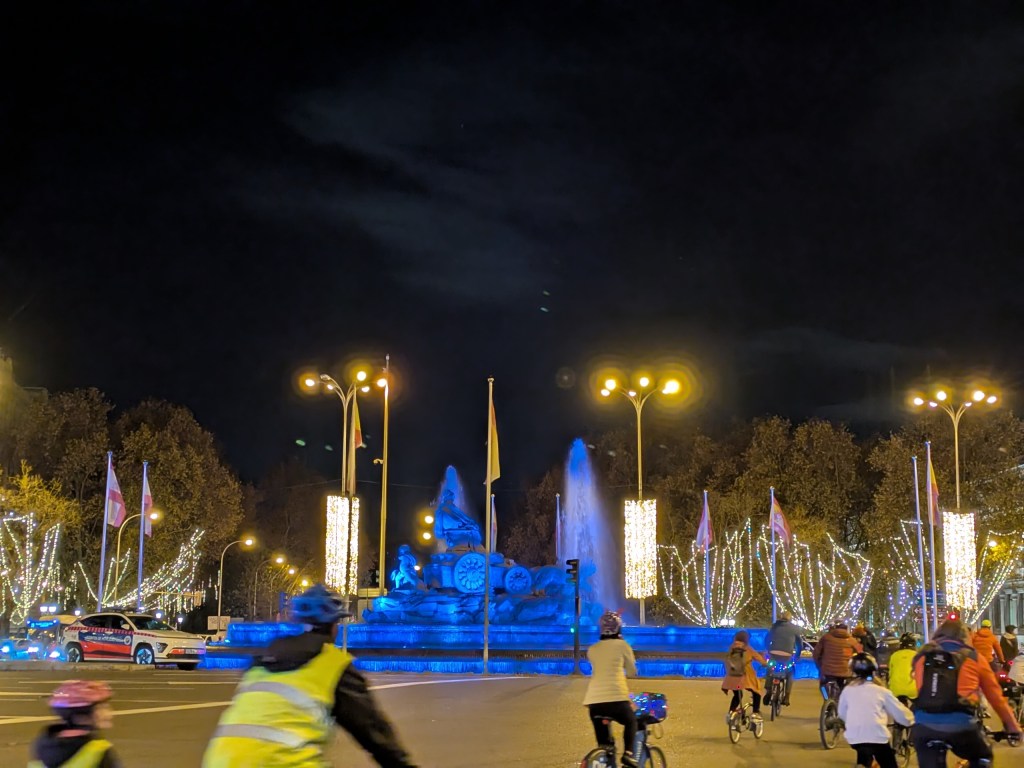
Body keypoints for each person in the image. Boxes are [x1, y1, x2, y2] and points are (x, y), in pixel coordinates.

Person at [202, 583, 418, 768]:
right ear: (334, 626)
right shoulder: (333, 664)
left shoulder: (262, 659)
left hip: (219, 760)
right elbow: (375, 734)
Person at [911, 618, 1022, 768]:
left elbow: (921, 690)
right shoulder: (974, 657)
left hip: (924, 726)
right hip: (961, 725)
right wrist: (1012, 726)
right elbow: (996, 698)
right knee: (982, 757)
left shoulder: (923, 656)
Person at [583, 610, 639, 768]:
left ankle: (606, 758)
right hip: (617, 700)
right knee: (631, 721)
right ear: (618, 628)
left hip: (594, 704)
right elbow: (632, 672)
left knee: (606, 746)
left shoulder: (592, 649)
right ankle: (628, 754)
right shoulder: (623, 646)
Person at [838, 653, 914, 768]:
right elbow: (900, 713)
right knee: (888, 762)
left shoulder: (847, 690)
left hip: (854, 738)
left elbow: (842, 713)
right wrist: (911, 720)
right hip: (877, 737)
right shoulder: (881, 691)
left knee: (864, 755)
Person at [29, 680, 121, 768]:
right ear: (82, 713)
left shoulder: (42, 745)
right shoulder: (98, 750)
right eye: (102, 707)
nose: (109, 712)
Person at [722, 629, 766, 723]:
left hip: (732, 678)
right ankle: (755, 713)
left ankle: (731, 712)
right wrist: (765, 663)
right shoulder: (747, 648)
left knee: (738, 695)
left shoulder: (732, 648)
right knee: (756, 691)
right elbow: (759, 659)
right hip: (745, 678)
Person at [813, 622, 863, 695]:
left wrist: (820, 666)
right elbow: (861, 653)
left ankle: (826, 699)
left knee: (823, 686)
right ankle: (842, 699)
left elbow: (816, 654)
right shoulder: (852, 640)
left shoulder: (826, 638)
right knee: (844, 690)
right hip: (846, 672)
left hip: (828, 671)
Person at [765, 610, 802, 706]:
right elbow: (799, 644)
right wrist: (797, 656)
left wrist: (768, 650)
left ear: (781, 617)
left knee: (770, 669)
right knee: (790, 673)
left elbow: (767, 639)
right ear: (790, 619)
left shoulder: (774, 626)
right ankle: (787, 696)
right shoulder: (795, 628)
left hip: (773, 654)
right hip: (787, 656)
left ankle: (768, 690)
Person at [887, 633, 919, 704]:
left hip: (896, 689)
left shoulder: (894, 655)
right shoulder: (917, 655)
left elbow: (890, 674)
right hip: (913, 690)